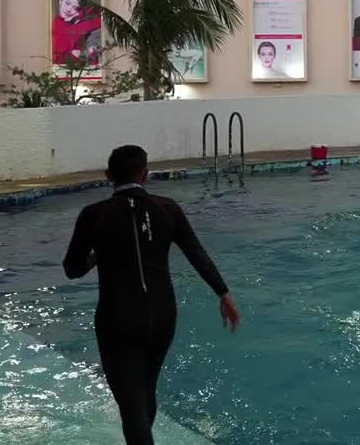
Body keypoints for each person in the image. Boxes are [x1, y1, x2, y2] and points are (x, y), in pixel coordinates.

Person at [63, 145, 240, 445]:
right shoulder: (167, 208)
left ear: (108, 176)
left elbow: (72, 269)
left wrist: (95, 256)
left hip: (118, 317)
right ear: (145, 175)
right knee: (146, 390)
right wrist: (223, 294)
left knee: (131, 404)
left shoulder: (93, 215)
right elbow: (197, 253)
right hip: (162, 315)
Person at [52, 0, 102, 67]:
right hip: (63, 69)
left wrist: (79, 15)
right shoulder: (54, 24)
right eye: (67, 3)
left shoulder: (78, 22)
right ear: (61, 0)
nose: (69, 9)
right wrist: (74, 54)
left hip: (80, 70)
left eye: (75, 8)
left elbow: (101, 17)